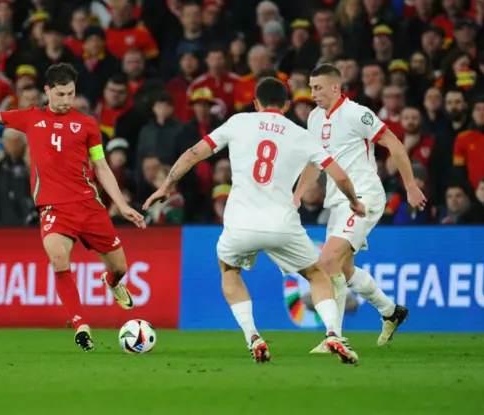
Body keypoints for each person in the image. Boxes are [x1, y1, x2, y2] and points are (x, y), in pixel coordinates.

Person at [144, 77, 364, 365]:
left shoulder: (238, 122)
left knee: (229, 269)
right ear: (286, 105)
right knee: (316, 274)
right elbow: (339, 175)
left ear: (256, 104)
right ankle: (333, 333)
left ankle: (252, 336)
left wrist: (166, 185)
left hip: (240, 223)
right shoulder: (302, 135)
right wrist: (354, 201)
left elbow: (194, 153)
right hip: (283, 224)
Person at [0, 63, 146, 353]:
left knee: (119, 268)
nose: (67, 99)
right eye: (61, 93)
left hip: (89, 206)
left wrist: (122, 205)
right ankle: (81, 325)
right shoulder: (31, 118)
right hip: (53, 208)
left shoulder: (88, 125)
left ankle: (112, 282)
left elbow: (101, 165)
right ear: (47, 91)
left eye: (71, 93)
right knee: (59, 260)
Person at [298, 64, 427, 353]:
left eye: (318, 87)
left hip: (363, 197)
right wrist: (297, 196)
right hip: (337, 200)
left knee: (328, 259)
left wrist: (409, 186)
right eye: (310, 87)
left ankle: (335, 336)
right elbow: (312, 162)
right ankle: (391, 311)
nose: (312, 93)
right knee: (343, 267)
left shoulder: (357, 113)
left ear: (335, 87)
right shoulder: (315, 118)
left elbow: (393, 142)